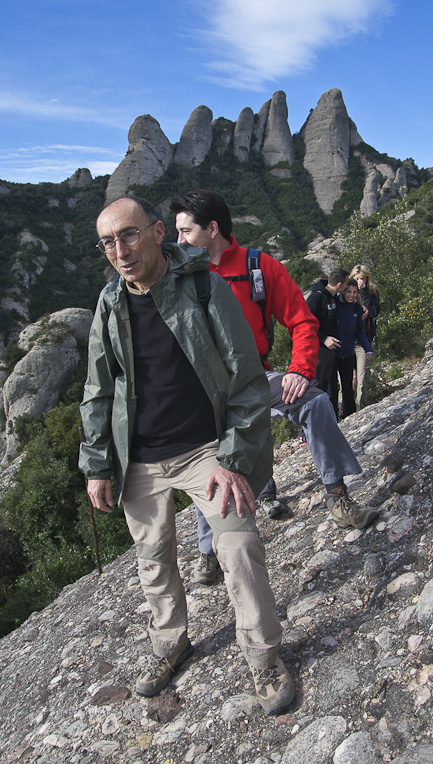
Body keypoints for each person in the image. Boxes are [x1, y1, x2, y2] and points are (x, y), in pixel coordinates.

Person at [79, 196, 295, 716]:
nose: (120, 250)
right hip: (140, 460)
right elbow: (97, 391)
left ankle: (264, 656)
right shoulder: (110, 305)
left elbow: (246, 378)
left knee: (238, 546)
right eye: (108, 242)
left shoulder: (204, 287)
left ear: (158, 233)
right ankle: (170, 643)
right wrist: (97, 465)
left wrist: (233, 456)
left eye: (129, 235)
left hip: (207, 450)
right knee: (153, 561)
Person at [169, 190, 379, 586]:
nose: (178, 242)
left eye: (185, 231)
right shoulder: (181, 273)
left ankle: (337, 495)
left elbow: (301, 321)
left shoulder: (258, 267)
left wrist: (301, 369)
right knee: (205, 452)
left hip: (255, 377)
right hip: (206, 388)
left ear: (212, 229)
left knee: (316, 403)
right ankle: (207, 549)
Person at [330, 279, 373, 419]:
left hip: (348, 353)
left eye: (355, 292)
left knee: (348, 388)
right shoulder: (335, 304)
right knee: (333, 389)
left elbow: (359, 331)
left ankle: (351, 419)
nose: (351, 295)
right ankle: (332, 419)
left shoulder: (357, 308)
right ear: (343, 291)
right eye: (349, 291)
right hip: (333, 353)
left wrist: (367, 348)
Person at [306, 268, 350, 393]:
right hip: (318, 350)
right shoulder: (316, 298)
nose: (347, 288)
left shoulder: (331, 297)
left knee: (326, 385)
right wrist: (323, 338)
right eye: (346, 285)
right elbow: (307, 323)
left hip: (329, 351)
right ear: (339, 285)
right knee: (316, 385)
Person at [351, 265, 381, 412]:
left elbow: (373, 313)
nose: (359, 281)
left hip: (364, 341)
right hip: (348, 341)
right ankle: (344, 409)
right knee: (350, 378)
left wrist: (363, 292)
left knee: (363, 376)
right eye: (356, 279)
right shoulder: (347, 294)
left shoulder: (371, 293)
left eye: (362, 278)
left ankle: (361, 408)